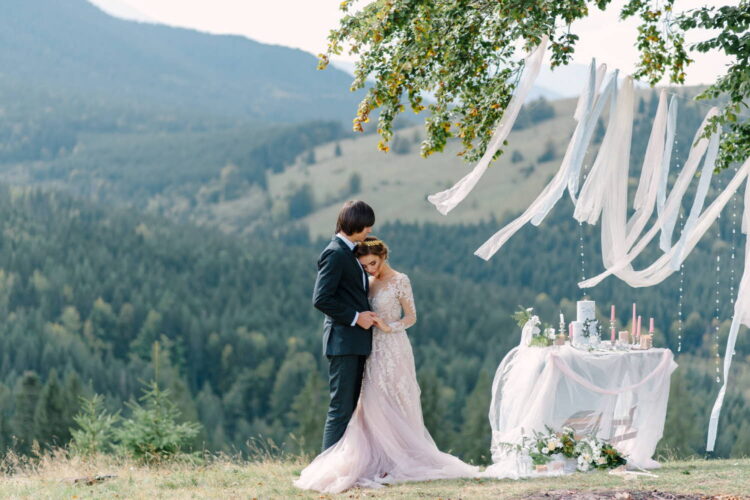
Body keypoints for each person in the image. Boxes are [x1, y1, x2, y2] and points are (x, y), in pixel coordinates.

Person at [295, 235, 479, 493]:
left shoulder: (400, 280)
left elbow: (412, 317)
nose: (370, 269)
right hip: (371, 348)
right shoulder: (367, 282)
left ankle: (399, 458)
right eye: (364, 265)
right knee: (372, 402)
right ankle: (378, 458)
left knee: (396, 399)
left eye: (372, 263)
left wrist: (388, 326)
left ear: (383, 256)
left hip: (394, 346)